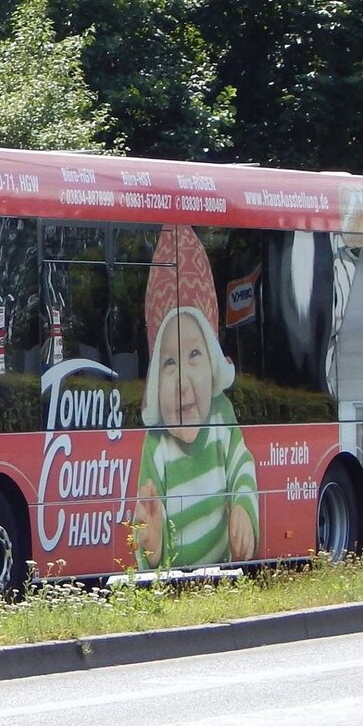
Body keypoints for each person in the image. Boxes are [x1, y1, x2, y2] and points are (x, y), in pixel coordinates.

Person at [133, 225, 259, 569]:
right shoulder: (155, 445)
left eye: (194, 355)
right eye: (169, 362)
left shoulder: (222, 416)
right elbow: (146, 517)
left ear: (215, 364)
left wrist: (244, 512)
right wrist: (152, 545)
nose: (182, 381)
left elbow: (242, 467)